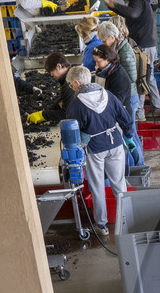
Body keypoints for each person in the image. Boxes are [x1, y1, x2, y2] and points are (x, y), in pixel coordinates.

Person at [61, 65, 134, 235]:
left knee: (98, 186)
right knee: (119, 183)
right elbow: (125, 118)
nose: (72, 88)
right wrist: (129, 136)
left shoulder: (76, 104)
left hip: (95, 148)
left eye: (71, 84)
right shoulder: (108, 95)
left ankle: (101, 225)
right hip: (115, 143)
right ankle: (128, 219)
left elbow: (72, 132)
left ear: (78, 83)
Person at [107, 0, 160, 111]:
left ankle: (139, 111)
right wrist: (113, 6)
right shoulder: (140, 0)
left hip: (142, 46)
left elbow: (133, 14)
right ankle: (159, 107)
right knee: (149, 77)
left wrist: (114, 5)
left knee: (140, 78)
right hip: (148, 45)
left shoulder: (137, 0)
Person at [91, 43, 142, 166]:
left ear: (108, 60)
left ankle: (139, 167)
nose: (96, 65)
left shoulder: (119, 77)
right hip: (116, 115)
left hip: (121, 117)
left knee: (129, 143)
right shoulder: (107, 72)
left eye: (98, 62)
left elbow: (116, 104)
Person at [23, 52, 75, 125]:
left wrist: (43, 115)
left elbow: (65, 114)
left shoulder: (70, 84)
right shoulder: (69, 77)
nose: (51, 74)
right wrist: (50, 110)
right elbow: (63, 100)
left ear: (59, 66)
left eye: (51, 71)